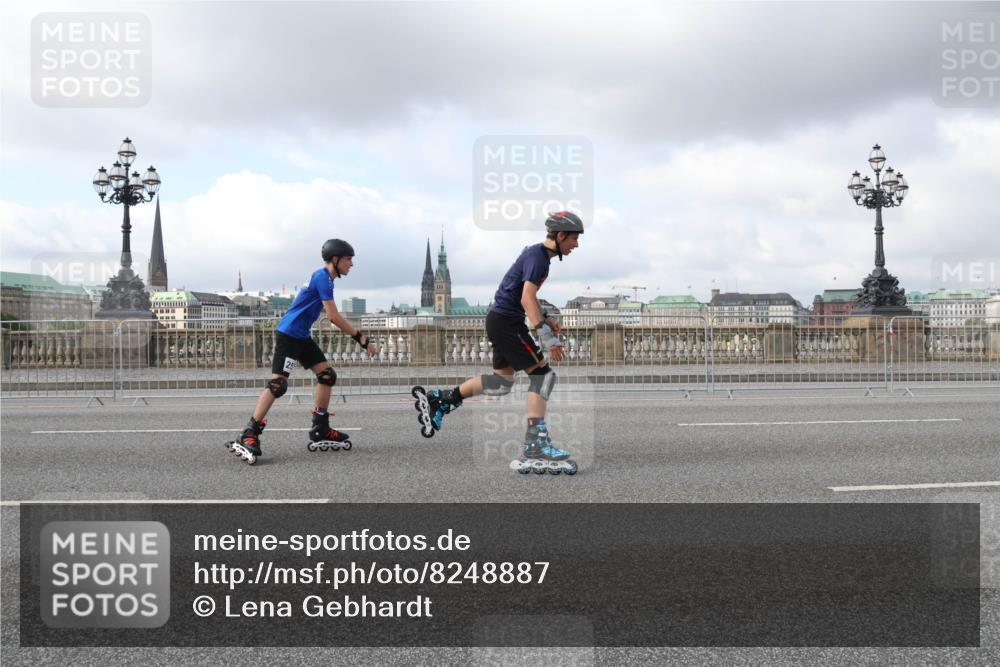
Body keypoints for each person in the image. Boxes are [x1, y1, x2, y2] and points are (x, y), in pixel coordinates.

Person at [412, 212, 583, 475]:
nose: (576, 245)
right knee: (543, 376)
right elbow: (526, 299)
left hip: (500, 319)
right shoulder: (539, 259)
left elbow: (522, 294)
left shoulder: (537, 255)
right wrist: (547, 338)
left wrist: (546, 318)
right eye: (574, 239)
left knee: (501, 382)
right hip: (507, 323)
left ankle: (443, 399)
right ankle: (535, 443)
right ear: (560, 236)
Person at [227, 239, 378, 464]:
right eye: (348, 259)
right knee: (278, 385)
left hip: (302, 336)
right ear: (335, 259)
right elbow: (334, 317)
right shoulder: (322, 278)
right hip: (288, 336)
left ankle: (321, 427)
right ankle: (249, 433)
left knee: (327, 376)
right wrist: (363, 340)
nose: (351, 264)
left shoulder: (325, 278)